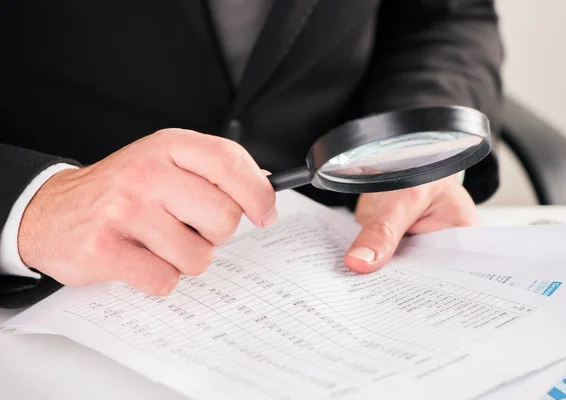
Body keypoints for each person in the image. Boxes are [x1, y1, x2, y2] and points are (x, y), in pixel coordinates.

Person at [0, 0, 503, 308]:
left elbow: (444, 18)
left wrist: (412, 144)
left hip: (329, 247)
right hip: (45, 285)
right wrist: (33, 204)